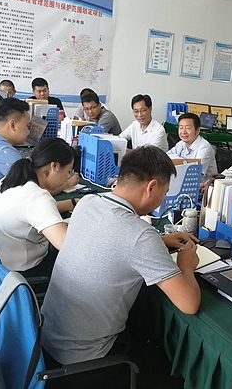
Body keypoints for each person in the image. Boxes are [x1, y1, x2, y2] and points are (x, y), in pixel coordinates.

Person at [41, 146, 200, 376]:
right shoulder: (140, 236)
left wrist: (159, 241)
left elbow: (108, 240)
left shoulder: (88, 202)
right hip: (85, 362)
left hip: (47, 344)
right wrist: (186, 265)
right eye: (164, 193)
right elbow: (189, 304)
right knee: (167, 367)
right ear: (151, 187)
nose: (162, 199)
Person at [0, 98, 79, 223]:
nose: (28, 132)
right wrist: (67, 188)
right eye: (27, 126)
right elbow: (36, 197)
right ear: (12, 125)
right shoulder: (3, 152)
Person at [0, 138, 76, 278]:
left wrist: (72, 203)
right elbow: (65, 245)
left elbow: (30, 211)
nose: (67, 178)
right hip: (18, 277)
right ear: (54, 166)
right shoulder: (37, 197)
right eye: (68, 171)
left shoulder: (10, 180)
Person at [166, 112, 217, 180]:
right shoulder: (181, 144)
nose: (183, 132)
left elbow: (194, 173)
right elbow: (166, 158)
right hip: (181, 179)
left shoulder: (204, 148)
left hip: (202, 184)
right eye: (181, 128)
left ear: (197, 131)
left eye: (188, 128)